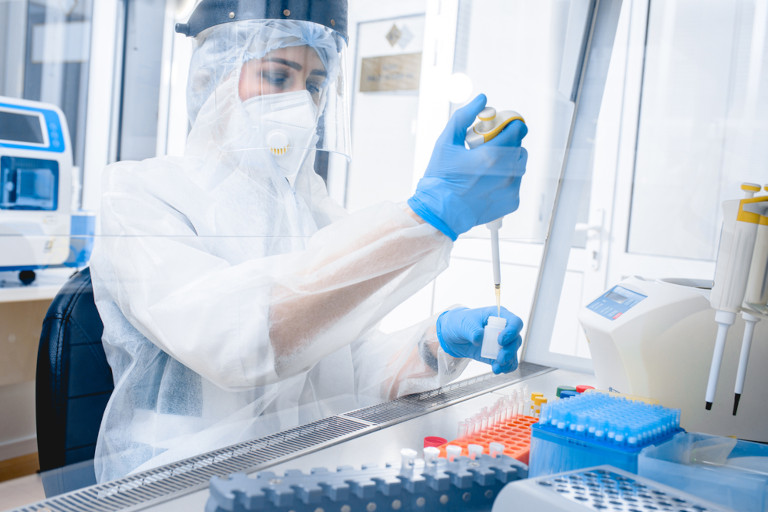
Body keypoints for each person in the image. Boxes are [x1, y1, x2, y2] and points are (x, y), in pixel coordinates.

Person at [90, 0, 528, 483]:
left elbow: (348, 365)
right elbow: (236, 341)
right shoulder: (139, 194)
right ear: (210, 78)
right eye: (277, 77)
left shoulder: (310, 207)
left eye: (315, 85)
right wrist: (426, 219)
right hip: (178, 480)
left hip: (301, 467)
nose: (300, 102)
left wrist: (435, 344)